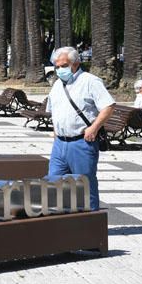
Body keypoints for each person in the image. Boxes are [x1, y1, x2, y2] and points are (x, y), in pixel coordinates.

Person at [46, 46, 115, 211]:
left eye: (64, 65)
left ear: (75, 63)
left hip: (81, 142)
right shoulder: (57, 85)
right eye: (57, 66)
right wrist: (56, 131)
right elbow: (53, 110)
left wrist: (94, 128)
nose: (60, 69)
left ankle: (91, 224)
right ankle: (61, 220)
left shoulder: (90, 81)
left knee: (85, 185)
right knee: (53, 182)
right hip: (60, 144)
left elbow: (108, 106)